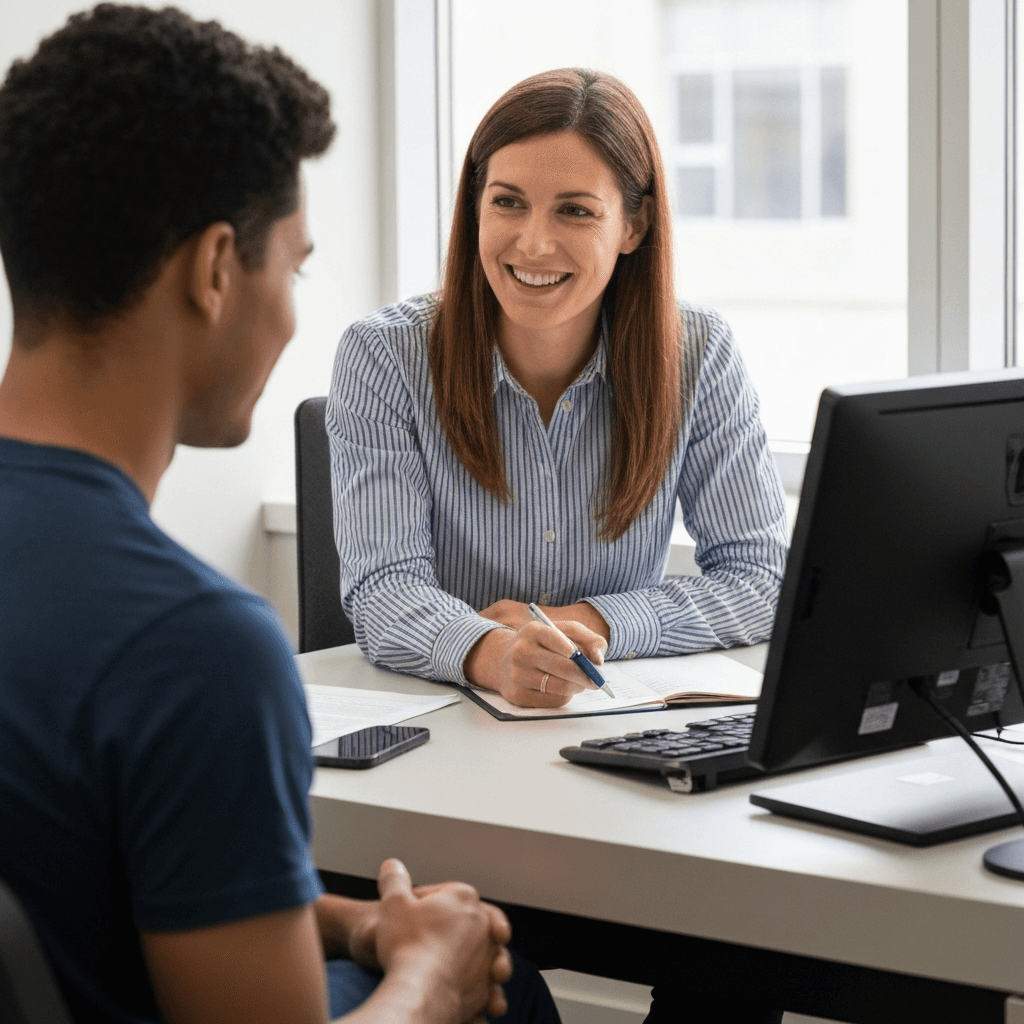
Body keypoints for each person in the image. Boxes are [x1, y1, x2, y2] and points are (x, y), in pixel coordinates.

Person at [0, 6, 561, 1024]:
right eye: (293, 266)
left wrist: (356, 926)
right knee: (508, 1001)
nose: (296, 310)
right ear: (217, 270)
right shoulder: (193, 647)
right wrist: (432, 981)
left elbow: (98, 876)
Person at [327, 68, 789, 712]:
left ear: (633, 227)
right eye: (507, 202)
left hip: (613, 716)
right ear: (474, 208)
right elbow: (385, 592)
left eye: (575, 210)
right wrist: (494, 653)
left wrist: (581, 624)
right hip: (445, 722)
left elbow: (761, 581)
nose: (534, 243)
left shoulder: (698, 353)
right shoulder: (384, 356)